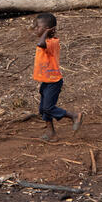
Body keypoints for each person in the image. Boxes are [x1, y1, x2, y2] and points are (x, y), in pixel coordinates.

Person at [31, 12, 84, 141]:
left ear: (48, 30)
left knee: (48, 107)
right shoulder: (46, 41)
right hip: (46, 81)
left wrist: (46, 33)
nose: (36, 30)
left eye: (39, 27)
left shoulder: (52, 42)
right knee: (43, 110)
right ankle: (51, 132)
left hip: (54, 82)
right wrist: (44, 32)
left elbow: (41, 44)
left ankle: (73, 116)